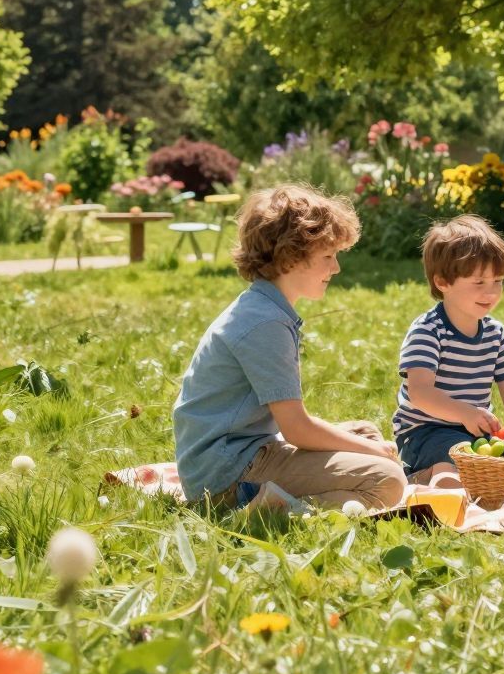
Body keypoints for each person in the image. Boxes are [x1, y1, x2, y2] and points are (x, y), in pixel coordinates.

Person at [172, 184, 405, 511]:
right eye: (328, 256)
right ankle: (270, 511)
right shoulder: (265, 323)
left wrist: (368, 448)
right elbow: (296, 429)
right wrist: (375, 456)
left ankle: (288, 501)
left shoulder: (264, 308)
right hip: (227, 475)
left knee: (365, 434)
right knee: (388, 479)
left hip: (242, 453)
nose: (336, 268)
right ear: (290, 257)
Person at [392, 215, 504, 487]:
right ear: (442, 282)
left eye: (498, 281)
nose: (490, 292)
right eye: (478, 283)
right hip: (426, 434)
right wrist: (465, 413)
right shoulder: (428, 331)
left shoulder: (495, 333)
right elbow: (420, 393)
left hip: (477, 433)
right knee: (458, 453)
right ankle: (426, 479)